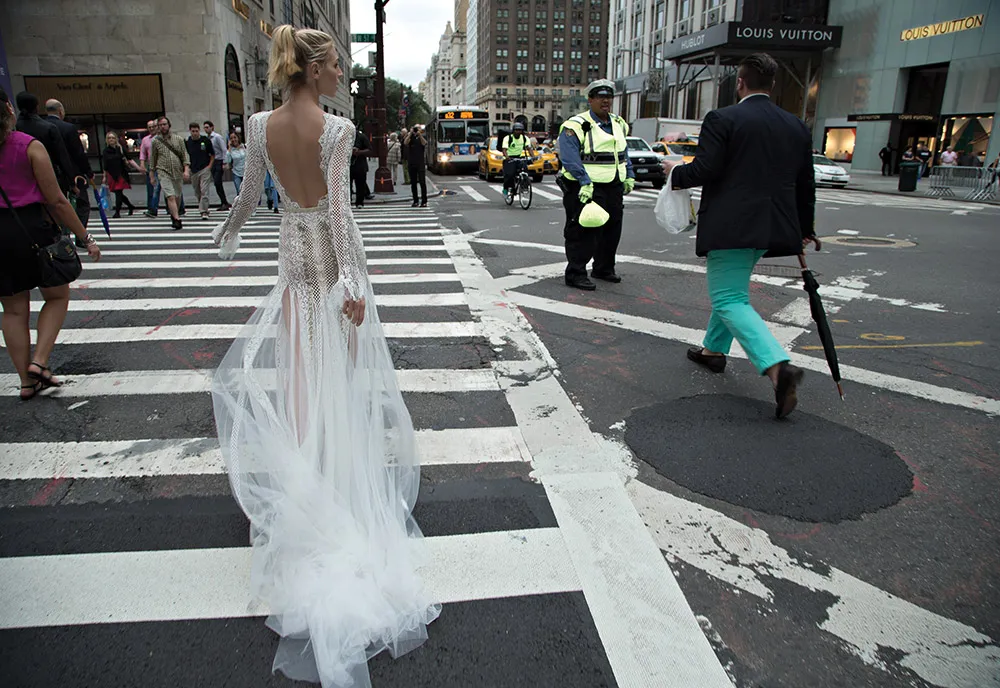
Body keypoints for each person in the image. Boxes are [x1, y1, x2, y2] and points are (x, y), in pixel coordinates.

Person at [209, 25, 439, 686]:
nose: (342, 73)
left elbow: (252, 197)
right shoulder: (334, 131)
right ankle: (334, 495)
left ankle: (309, 487)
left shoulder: (258, 124)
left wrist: (226, 232)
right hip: (330, 270)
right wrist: (351, 285)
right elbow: (338, 214)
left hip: (292, 267)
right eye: (336, 64)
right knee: (334, 381)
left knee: (303, 384)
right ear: (314, 70)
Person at [662, 52, 816, 420]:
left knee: (728, 296)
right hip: (771, 226)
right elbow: (805, 183)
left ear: (740, 83)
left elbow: (706, 168)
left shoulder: (723, 118)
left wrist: (674, 171)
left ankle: (778, 367)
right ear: (773, 85)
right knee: (732, 287)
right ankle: (713, 350)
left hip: (731, 224)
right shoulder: (795, 125)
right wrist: (805, 228)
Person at [0, 86, 101, 400]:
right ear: (8, 110)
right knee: (56, 295)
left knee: (14, 310)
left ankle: (26, 383)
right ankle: (40, 363)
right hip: (31, 227)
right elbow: (56, 200)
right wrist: (85, 237)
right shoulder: (29, 146)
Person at [556, 78, 635, 291]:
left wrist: (629, 175)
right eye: (600, 97)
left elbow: (623, 153)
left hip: (613, 186)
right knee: (583, 232)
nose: (606, 101)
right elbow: (570, 157)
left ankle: (604, 268)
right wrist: (584, 181)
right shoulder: (576, 125)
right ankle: (575, 273)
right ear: (590, 100)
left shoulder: (618, 123)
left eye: (609, 97)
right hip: (585, 188)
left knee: (612, 230)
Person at [44, 99, 93, 228]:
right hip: (74, 173)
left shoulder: (41, 127)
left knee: (55, 205)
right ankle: (80, 235)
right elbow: (78, 153)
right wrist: (88, 171)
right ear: (60, 110)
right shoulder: (68, 128)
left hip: (48, 173)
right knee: (82, 204)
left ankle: (61, 233)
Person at [14, 91, 73, 192]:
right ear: (36, 107)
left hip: (22, 178)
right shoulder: (48, 128)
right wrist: (71, 180)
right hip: (49, 175)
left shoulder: (14, 128)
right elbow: (62, 156)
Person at [150, 117, 191, 229]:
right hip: (163, 171)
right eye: (160, 125)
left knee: (177, 196)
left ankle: (174, 214)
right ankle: (177, 219)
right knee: (170, 196)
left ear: (169, 125)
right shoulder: (155, 141)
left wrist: (186, 169)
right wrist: (152, 175)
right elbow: (153, 158)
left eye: (164, 124)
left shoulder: (178, 139)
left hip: (177, 171)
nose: (163, 127)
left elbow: (185, 155)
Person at [102, 131, 139, 218]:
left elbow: (129, 159)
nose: (111, 139)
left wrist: (138, 168)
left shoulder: (120, 149)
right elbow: (105, 164)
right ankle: (130, 206)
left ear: (116, 139)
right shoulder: (105, 151)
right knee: (118, 193)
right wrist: (104, 176)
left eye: (113, 138)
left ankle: (117, 212)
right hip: (111, 174)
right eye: (109, 138)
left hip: (121, 174)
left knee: (118, 193)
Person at [186, 122, 214, 219]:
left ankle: (204, 211)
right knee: (198, 192)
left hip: (204, 168)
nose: (195, 133)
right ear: (190, 131)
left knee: (204, 190)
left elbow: (212, 154)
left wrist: (209, 166)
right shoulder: (188, 142)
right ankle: (202, 206)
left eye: (196, 131)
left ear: (199, 131)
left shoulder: (205, 140)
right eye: (193, 131)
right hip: (193, 169)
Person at [203, 120, 231, 211]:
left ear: (212, 127)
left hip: (219, 161)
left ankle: (224, 202)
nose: (206, 129)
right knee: (217, 183)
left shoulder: (217, 137)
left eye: (207, 127)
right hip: (212, 162)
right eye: (205, 128)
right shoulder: (206, 139)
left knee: (217, 182)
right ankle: (224, 202)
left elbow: (224, 150)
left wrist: (225, 162)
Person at [501, 122, 532, 198]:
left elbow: (529, 149)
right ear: (513, 130)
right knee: (510, 175)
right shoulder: (508, 138)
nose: (518, 132)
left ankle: (524, 186)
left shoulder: (525, 138)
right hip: (509, 158)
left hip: (519, 157)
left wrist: (533, 157)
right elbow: (504, 150)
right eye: (516, 130)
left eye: (520, 130)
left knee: (525, 170)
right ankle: (506, 188)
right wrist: (507, 157)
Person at [138, 119, 161, 217]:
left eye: (153, 126)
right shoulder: (145, 140)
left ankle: (177, 208)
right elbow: (143, 153)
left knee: (169, 189)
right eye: (149, 127)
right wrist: (142, 164)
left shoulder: (161, 138)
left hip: (163, 166)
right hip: (152, 167)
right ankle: (152, 208)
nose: (151, 128)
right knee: (152, 189)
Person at [404, 124, 427, 207]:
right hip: (412, 162)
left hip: (420, 163)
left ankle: (424, 201)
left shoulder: (422, 136)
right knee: (413, 183)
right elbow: (405, 142)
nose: (416, 130)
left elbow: (424, 143)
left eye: (418, 128)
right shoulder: (410, 137)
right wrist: (410, 134)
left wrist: (420, 135)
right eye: (415, 128)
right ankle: (415, 200)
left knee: (422, 182)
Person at [350, 123, 371, 208]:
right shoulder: (344, 137)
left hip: (360, 165)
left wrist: (359, 152)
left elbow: (369, 150)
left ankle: (359, 202)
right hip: (348, 165)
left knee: (360, 185)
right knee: (347, 185)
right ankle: (348, 201)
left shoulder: (362, 137)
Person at [224, 131, 246, 197]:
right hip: (236, 173)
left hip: (246, 172)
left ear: (238, 138)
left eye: (235, 137)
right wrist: (229, 148)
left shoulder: (244, 146)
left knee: (246, 192)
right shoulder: (231, 150)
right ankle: (241, 206)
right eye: (231, 138)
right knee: (239, 192)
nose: (233, 140)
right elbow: (227, 160)